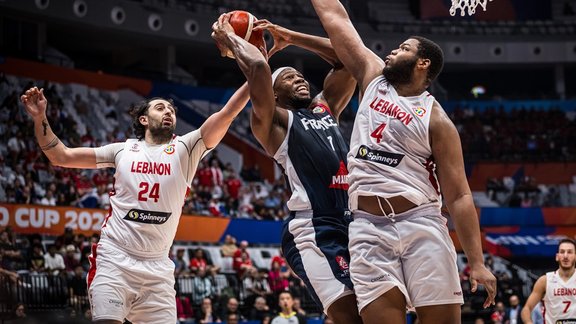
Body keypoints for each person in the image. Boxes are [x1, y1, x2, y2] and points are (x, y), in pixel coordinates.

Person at [307, 1, 497, 323]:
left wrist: (476, 262)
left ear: (422, 63)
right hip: (367, 229)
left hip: (421, 223)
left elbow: (460, 196)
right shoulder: (373, 78)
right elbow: (336, 18)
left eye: (403, 48)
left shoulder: (437, 120)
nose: (393, 51)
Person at [20, 84, 250, 324]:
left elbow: (228, 113)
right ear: (144, 119)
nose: (168, 112)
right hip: (115, 259)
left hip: (157, 267)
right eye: (160, 108)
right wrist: (40, 118)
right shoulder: (122, 150)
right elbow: (61, 156)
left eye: (171, 109)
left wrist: (255, 71)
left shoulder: (186, 148)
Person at [212, 14, 361, 324]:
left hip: (352, 224)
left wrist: (292, 37)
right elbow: (258, 68)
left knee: (373, 312)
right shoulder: (274, 122)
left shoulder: (324, 108)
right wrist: (232, 37)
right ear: (273, 93)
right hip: (312, 229)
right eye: (289, 77)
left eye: (300, 75)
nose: (300, 78)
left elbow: (346, 61)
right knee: (349, 316)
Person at [521, 238, 576, 323]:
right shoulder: (544, 281)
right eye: (562, 252)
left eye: (569, 252)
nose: (565, 256)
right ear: (557, 257)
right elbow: (526, 309)